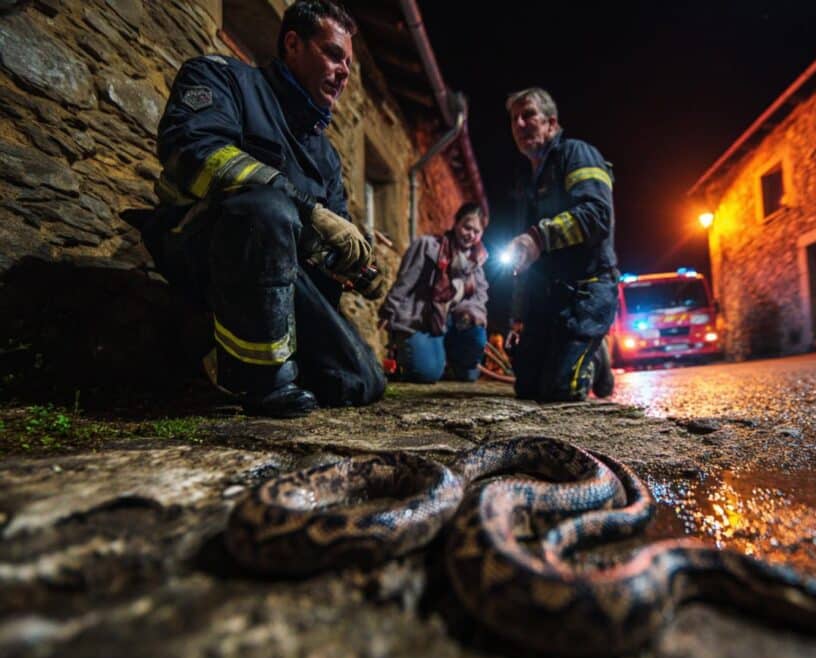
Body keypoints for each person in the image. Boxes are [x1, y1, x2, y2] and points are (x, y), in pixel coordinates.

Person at [133, 1, 386, 418]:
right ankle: (258, 383)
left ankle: (230, 354)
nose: (343, 72)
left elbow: (328, 237)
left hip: (283, 277)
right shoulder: (222, 78)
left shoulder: (325, 154)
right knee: (265, 209)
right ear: (292, 44)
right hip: (205, 250)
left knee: (362, 381)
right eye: (333, 54)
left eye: (348, 61)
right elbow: (191, 150)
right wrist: (307, 210)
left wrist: (355, 267)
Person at [504, 87, 618, 401]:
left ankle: (593, 351)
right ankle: (583, 345)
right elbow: (524, 260)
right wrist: (517, 317)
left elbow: (597, 215)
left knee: (561, 391)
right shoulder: (529, 184)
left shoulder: (576, 154)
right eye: (514, 119)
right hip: (551, 296)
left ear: (552, 124)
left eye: (528, 115)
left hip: (588, 289)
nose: (520, 124)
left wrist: (539, 237)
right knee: (526, 388)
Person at [379, 203, 489, 383]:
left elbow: (479, 298)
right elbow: (405, 281)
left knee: (470, 373)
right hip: (422, 320)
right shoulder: (428, 246)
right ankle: (415, 355)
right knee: (426, 373)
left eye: (477, 231)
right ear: (456, 223)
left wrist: (470, 313)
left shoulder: (476, 264)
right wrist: (389, 310)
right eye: (467, 227)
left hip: (451, 323)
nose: (471, 235)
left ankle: (451, 361)